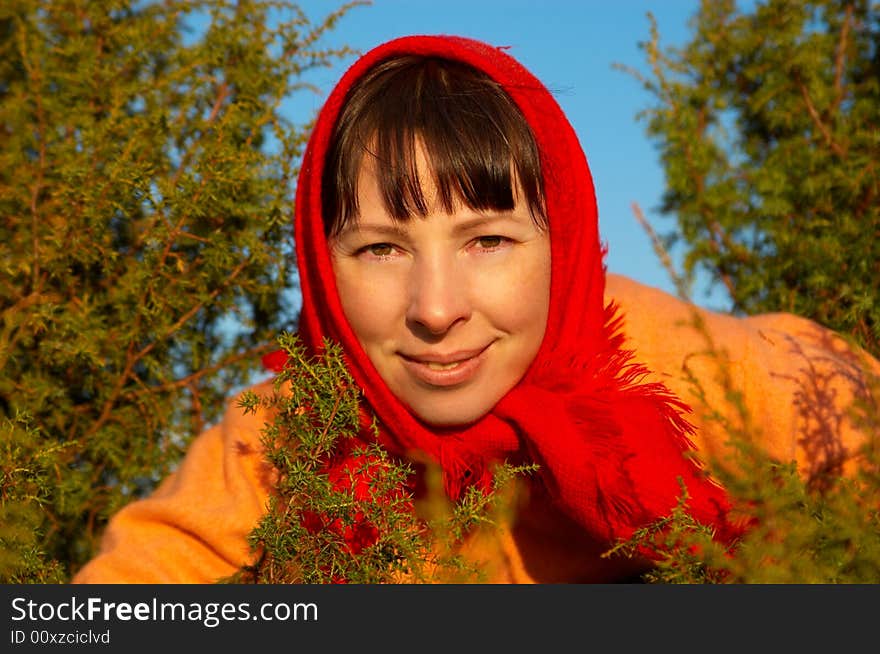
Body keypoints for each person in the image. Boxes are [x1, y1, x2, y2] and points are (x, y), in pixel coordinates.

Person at [72, 35, 879, 584]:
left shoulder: (689, 373)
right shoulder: (292, 429)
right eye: (381, 249)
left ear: (560, 242)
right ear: (323, 268)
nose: (435, 308)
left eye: (487, 241)